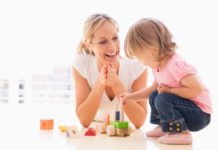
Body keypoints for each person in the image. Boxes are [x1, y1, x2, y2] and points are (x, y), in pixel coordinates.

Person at [121, 18, 212, 144]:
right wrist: (131, 97)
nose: (140, 61)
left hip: (200, 115)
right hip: (185, 110)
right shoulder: (157, 66)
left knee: (162, 97)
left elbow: (196, 89)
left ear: (152, 50)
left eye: (139, 56)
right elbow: (152, 90)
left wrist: (170, 90)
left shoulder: (175, 64)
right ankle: (166, 127)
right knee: (156, 95)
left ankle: (181, 133)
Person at [72, 13, 148, 128]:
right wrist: (100, 83)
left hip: (127, 135)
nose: (112, 47)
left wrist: (118, 86)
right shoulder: (82, 65)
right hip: (95, 135)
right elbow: (84, 121)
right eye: (103, 42)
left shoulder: (137, 66)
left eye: (115, 38)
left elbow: (139, 122)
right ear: (89, 45)